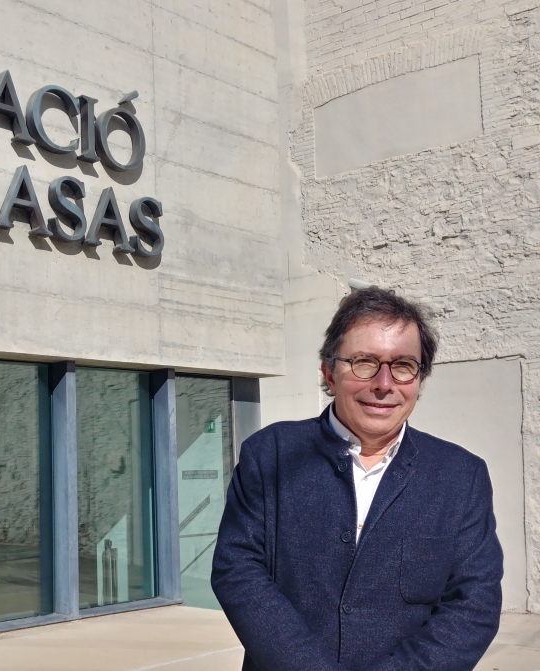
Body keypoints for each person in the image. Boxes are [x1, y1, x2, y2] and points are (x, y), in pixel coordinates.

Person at [212, 286, 503, 671]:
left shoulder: (461, 476)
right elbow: (238, 571)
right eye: (364, 362)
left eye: (403, 365)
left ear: (419, 380)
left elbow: (474, 604)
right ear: (329, 373)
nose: (384, 383)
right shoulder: (270, 455)